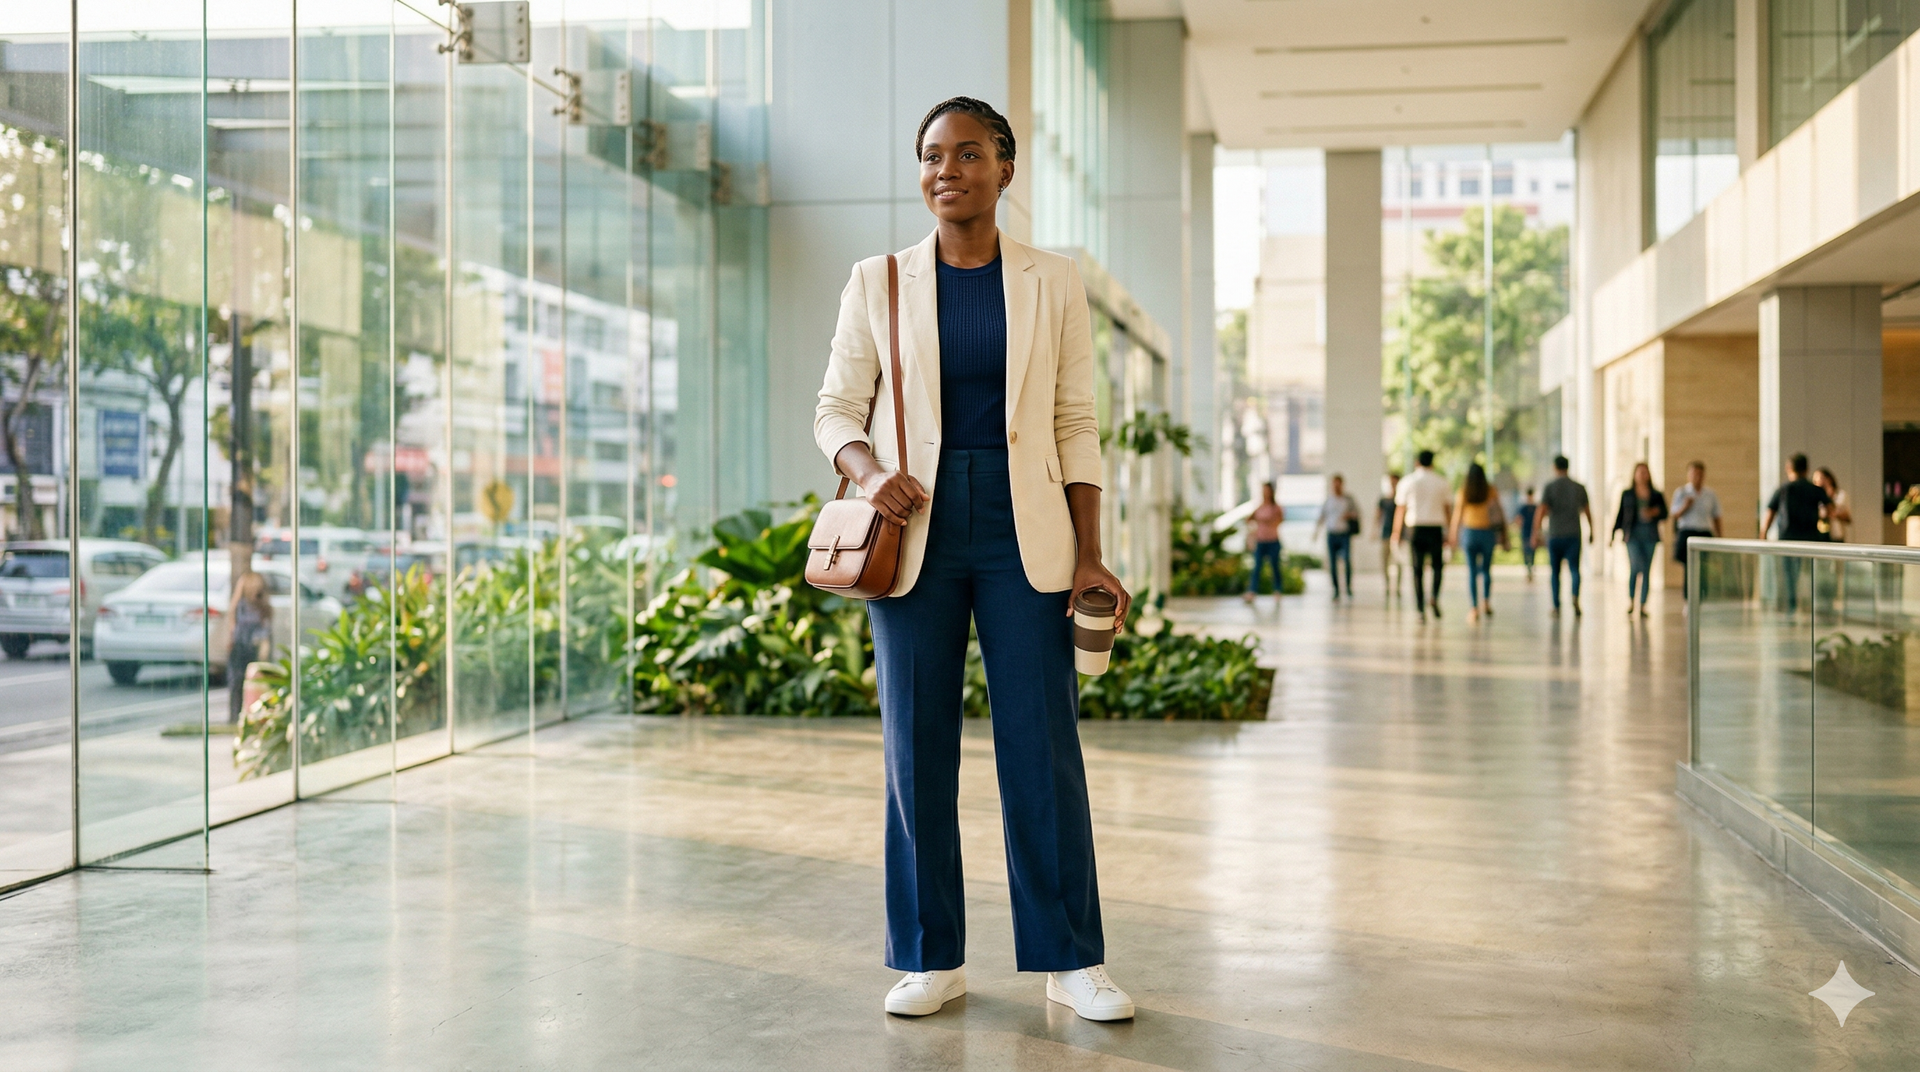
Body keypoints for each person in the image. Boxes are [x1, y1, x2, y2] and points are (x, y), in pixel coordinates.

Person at [814, 96, 1133, 1023]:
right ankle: (929, 955)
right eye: (929, 156)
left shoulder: (1053, 281)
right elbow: (836, 408)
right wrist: (870, 473)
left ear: (1005, 166)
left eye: (965, 154)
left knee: (1043, 749)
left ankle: (1070, 959)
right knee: (914, 751)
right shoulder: (877, 281)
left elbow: (1076, 422)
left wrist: (1091, 554)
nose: (944, 169)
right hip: (911, 534)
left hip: (1025, 531)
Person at [1762, 453, 1831, 613]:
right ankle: (1809, 604)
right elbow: (1829, 509)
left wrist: (1763, 534)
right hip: (1809, 539)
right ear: (1807, 469)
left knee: (1789, 575)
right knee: (1807, 573)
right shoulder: (1815, 490)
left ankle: (1792, 603)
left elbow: (1770, 513)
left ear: (1789, 468)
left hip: (1787, 538)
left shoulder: (1783, 489)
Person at [1393, 449, 1452, 621]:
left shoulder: (1408, 482)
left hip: (1415, 528)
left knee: (1417, 569)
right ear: (1432, 462)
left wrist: (1396, 533)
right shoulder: (1442, 482)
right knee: (1437, 566)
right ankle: (1434, 596)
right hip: (1435, 528)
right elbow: (1447, 509)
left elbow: (1400, 510)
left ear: (1417, 462)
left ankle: (1420, 609)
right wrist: (1449, 531)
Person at [1534, 455, 1594, 617]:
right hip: (1573, 534)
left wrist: (1536, 532)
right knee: (1575, 569)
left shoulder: (1550, 487)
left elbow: (1541, 511)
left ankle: (1556, 605)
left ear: (1555, 467)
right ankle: (1575, 596)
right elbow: (1587, 511)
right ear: (1568, 467)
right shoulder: (1579, 487)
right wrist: (1592, 530)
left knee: (1555, 572)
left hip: (1554, 535)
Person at [1610, 462, 1668, 618]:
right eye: (1640, 472)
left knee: (1647, 570)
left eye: (1645, 472)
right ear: (1634, 475)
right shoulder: (1627, 493)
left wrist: (1653, 512)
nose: (1642, 475)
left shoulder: (1656, 494)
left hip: (1650, 536)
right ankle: (1631, 600)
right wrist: (1613, 534)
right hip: (1632, 536)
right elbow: (1620, 514)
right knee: (1636, 567)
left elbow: (1665, 513)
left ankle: (1642, 605)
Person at [1450, 462, 1504, 622]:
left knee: (1472, 572)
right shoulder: (1490, 490)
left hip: (1470, 533)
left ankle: (1474, 609)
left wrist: (1453, 535)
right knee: (1486, 570)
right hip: (1487, 533)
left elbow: (1457, 515)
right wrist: (1504, 533)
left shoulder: (1464, 491)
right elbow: (1499, 511)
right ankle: (1486, 602)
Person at [226, 570, 273, 724]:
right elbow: (234, 626)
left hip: (255, 648)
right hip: (241, 647)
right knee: (237, 683)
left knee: (256, 684)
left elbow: (265, 630)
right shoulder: (240, 606)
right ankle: (235, 717)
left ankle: (253, 717)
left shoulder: (262, 608)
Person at [1669, 461, 1722, 593]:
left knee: (1703, 567)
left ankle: (1703, 595)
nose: (1697, 477)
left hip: (1704, 531)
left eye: (1700, 474)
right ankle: (1688, 597)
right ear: (1689, 475)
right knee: (1689, 567)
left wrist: (1719, 536)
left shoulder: (1710, 494)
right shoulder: (1681, 493)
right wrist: (1685, 506)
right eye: (1694, 474)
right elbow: (1675, 514)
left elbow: (1716, 516)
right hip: (1688, 532)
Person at [1313, 474, 1359, 601]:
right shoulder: (1328, 500)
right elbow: (1322, 516)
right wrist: (1316, 532)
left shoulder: (1348, 500)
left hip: (1344, 534)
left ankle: (1348, 587)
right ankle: (1336, 590)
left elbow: (1357, 513)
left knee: (1347, 561)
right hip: (1332, 534)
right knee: (1332, 564)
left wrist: (1349, 515)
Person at [1244, 482, 1285, 605]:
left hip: (1273, 541)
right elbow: (1249, 519)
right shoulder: (1260, 507)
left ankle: (1277, 590)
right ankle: (1252, 591)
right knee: (1257, 567)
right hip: (1260, 541)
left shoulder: (1276, 508)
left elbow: (1279, 521)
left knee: (1275, 566)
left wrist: (1266, 521)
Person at [1376, 472, 1404, 598]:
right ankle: (1387, 585)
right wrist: (1375, 530)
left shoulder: (1402, 499)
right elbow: (1378, 515)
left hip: (1399, 536)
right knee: (1385, 561)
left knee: (1398, 562)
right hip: (1385, 533)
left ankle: (1397, 587)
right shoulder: (1383, 500)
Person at [1814, 467, 1852, 542]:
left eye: (1820, 478)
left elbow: (1848, 518)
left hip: (1836, 536)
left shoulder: (1841, 495)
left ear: (1829, 479)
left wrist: (1833, 512)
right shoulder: (1815, 497)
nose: (1817, 482)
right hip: (1820, 536)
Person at [1514, 487, 1538, 581]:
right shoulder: (1525, 508)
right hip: (1527, 532)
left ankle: (1530, 569)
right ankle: (1528, 569)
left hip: (1531, 532)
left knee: (1531, 552)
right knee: (1527, 551)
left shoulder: (1533, 507)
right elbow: (1518, 519)